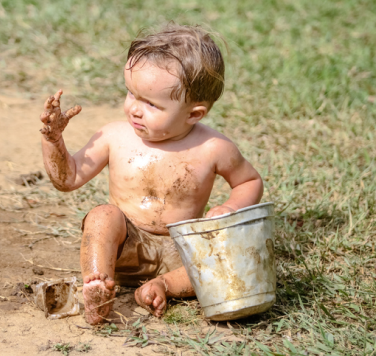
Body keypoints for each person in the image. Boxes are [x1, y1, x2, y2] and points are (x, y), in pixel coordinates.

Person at [39, 24, 263, 325]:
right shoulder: (114, 136)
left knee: (225, 254)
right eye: (131, 94)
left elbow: (249, 181)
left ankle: (164, 286)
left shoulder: (214, 147)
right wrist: (53, 141)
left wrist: (229, 209)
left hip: (182, 249)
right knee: (103, 216)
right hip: (126, 249)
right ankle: (97, 285)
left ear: (194, 114)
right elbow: (68, 179)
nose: (134, 109)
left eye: (151, 104)